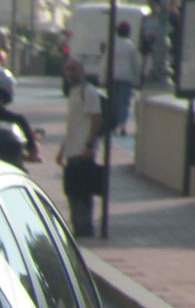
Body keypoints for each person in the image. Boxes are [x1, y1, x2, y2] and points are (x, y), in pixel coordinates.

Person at [58, 57, 105, 237]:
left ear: (82, 71)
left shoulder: (89, 92)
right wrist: (62, 150)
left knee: (83, 192)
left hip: (83, 152)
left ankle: (85, 226)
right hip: (72, 151)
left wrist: (89, 145)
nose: (70, 73)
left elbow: (96, 119)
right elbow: (73, 124)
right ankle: (77, 226)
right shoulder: (73, 92)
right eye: (67, 69)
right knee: (72, 191)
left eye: (73, 69)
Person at [110, 20, 142, 135]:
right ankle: (122, 125)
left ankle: (113, 124)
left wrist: (102, 77)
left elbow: (105, 61)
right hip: (126, 78)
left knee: (113, 102)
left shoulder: (112, 44)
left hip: (113, 76)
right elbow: (135, 64)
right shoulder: (131, 46)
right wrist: (137, 80)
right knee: (123, 103)